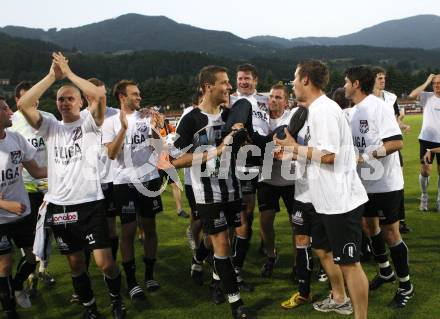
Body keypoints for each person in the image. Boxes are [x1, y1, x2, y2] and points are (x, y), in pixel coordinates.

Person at [17, 52, 125, 319]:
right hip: (60, 206)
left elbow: (98, 96)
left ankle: (116, 300)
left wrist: (69, 74)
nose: (64, 102)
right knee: (76, 263)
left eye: (70, 98)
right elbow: (24, 104)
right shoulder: (50, 126)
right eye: (60, 99)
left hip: (90, 203)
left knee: (105, 263)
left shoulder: (89, 123)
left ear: (80, 103)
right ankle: (90, 308)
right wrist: (53, 76)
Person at [274, 59, 369, 319]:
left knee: (350, 264)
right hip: (325, 200)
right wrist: (294, 153)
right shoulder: (316, 110)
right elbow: (318, 153)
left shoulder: (324, 110)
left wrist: (293, 149)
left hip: (341, 201)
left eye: (295, 77)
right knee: (323, 251)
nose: (292, 83)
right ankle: (339, 297)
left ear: (306, 79)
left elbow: (328, 155)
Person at [172, 65, 253, 319]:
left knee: (218, 241)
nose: (230, 87)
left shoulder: (231, 114)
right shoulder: (191, 120)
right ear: (209, 87)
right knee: (221, 244)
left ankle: (199, 259)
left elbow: (243, 147)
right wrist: (216, 151)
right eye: (225, 83)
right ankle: (236, 304)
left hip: (232, 188)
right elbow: (174, 159)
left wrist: (243, 139)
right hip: (206, 193)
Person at [345, 66, 414, 308]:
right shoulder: (352, 113)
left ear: (355, 84)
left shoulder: (379, 107)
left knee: (390, 233)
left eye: (346, 81)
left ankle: (406, 285)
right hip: (364, 185)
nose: (343, 86)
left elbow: (396, 143)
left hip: (386, 184)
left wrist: (367, 156)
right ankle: (385, 271)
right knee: (368, 226)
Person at [102, 80, 163, 300]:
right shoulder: (110, 121)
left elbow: (158, 146)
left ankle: (149, 275)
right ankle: (132, 281)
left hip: (149, 178)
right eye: (134, 94)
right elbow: (111, 154)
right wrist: (124, 129)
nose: (139, 97)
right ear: (121, 96)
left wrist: (157, 128)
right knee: (127, 231)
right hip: (124, 182)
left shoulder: (147, 116)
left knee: (149, 227)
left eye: (139, 94)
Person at [0, 96, 47, 319]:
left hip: (23, 213)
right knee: (4, 265)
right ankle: (10, 309)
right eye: (4, 108)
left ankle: (18, 285)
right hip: (1, 218)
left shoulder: (16, 138)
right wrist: (4, 203)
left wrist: (66, 169)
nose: (10, 112)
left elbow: (37, 171)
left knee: (33, 257)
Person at [11, 82, 57, 302]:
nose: (33, 100)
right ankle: (30, 273)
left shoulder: (48, 117)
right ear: (18, 101)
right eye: (27, 97)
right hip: (27, 187)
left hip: (50, 184)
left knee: (49, 231)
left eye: (35, 96)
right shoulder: (12, 123)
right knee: (29, 234)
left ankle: (43, 269)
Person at [229, 63, 270, 291]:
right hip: (239, 159)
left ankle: (239, 250)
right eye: (240, 78)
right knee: (240, 213)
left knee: (250, 212)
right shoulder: (230, 100)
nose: (243, 82)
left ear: (256, 80)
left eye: (247, 79)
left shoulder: (265, 100)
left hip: (262, 159)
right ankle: (232, 265)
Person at [257, 84, 295, 278]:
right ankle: (271, 256)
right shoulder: (260, 119)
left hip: (290, 178)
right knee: (265, 221)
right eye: (271, 96)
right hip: (267, 177)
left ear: (286, 102)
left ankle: (300, 261)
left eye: (278, 97)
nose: (273, 100)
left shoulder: (291, 118)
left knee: (295, 222)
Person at [372, 67, 411, 234]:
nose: (383, 80)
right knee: (372, 181)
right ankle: (372, 220)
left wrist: (402, 125)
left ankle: (399, 219)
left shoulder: (391, 98)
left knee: (397, 180)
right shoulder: (366, 98)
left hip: (390, 146)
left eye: (384, 78)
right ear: (372, 79)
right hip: (372, 146)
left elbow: (395, 121)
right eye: (379, 78)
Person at [409, 74, 440, 212]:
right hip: (427, 140)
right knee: (425, 171)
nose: (437, 85)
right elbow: (412, 95)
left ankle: (439, 200)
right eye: (435, 83)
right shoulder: (427, 97)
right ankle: (424, 196)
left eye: (439, 83)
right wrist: (427, 80)